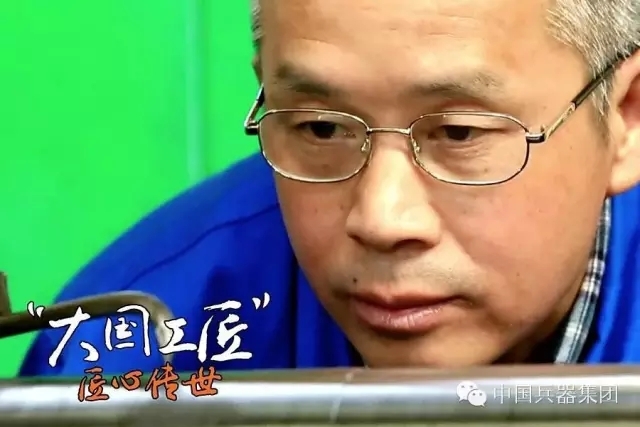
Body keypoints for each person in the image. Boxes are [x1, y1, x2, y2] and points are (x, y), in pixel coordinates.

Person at [20, 0, 640, 376]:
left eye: (459, 132)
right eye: (321, 127)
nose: (383, 218)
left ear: (626, 118)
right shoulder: (129, 347)